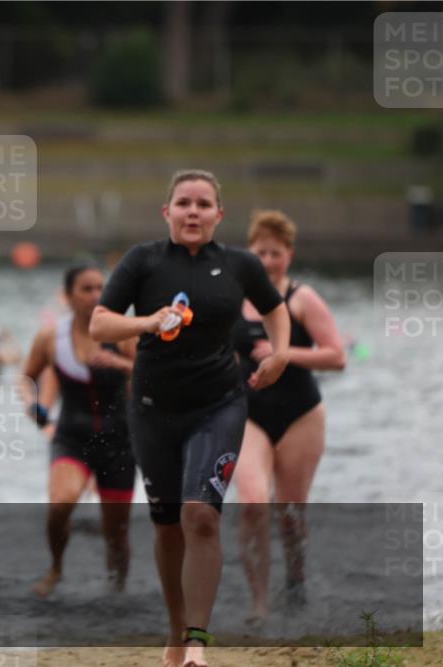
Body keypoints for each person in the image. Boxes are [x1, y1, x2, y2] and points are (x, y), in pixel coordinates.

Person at [89, 169, 291, 667]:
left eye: (204, 204)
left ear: (219, 214)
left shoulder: (241, 264)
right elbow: (99, 324)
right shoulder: (143, 260)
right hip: (154, 410)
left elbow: (275, 309)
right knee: (166, 525)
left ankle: (197, 642)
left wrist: (281, 353)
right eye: (184, 203)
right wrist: (148, 321)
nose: (193, 211)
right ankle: (177, 631)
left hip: (219, 404)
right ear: (168, 212)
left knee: (200, 514)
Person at [231, 210, 346, 625]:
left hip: (301, 414)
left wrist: (285, 354)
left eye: (275, 253)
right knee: (253, 503)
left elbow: (337, 357)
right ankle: (259, 602)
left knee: (291, 513)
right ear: (249, 253)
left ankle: (296, 584)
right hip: (249, 416)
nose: (267, 259)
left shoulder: (302, 298)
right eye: (260, 251)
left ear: (289, 255)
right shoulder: (234, 298)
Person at [22, 265, 137, 598]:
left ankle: (118, 587)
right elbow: (27, 377)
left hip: (119, 441)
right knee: (60, 505)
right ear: (69, 296)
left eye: (101, 287)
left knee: (117, 530)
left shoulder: (123, 334)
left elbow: (151, 375)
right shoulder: (51, 337)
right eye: (86, 289)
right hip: (72, 437)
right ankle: (56, 568)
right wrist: (35, 407)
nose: (95, 296)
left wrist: (121, 365)